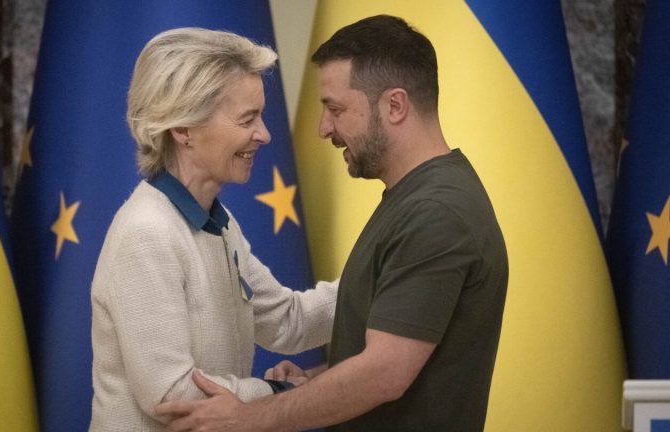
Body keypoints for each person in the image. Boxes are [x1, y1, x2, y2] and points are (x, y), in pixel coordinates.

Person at [155, 14, 509, 432]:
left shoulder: (435, 213)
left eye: (335, 109)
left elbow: (384, 374)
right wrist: (312, 384)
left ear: (394, 106)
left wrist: (249, 417)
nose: (324, 129)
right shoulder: (415, 200)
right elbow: (393, 352)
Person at [88, 27, 337, 431]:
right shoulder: (146, 233)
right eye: (247, 119)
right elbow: (171, 394)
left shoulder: (218, 225)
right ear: (183, 128)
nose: (265, 134)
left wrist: (383, 277)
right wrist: (277, 393)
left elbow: (288, 320)